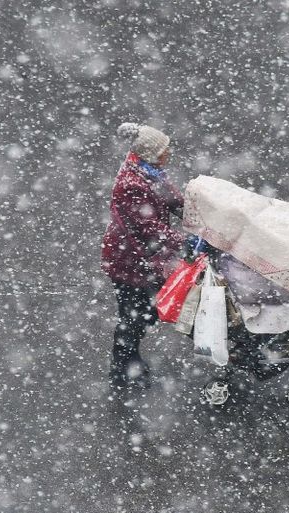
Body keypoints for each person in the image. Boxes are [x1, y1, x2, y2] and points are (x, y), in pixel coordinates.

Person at [101, 122, 192, 387]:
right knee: (132, 316)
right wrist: (186, 239)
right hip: (129, 260)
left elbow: (172, 199)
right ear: (150, 154)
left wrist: (195, 213)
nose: (169, 154)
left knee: (143, 312)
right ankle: (122, 369)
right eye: (164, 150)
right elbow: (149, 227)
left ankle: (129, 360)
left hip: (141, 258)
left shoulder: (149, 171)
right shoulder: (132, 184)